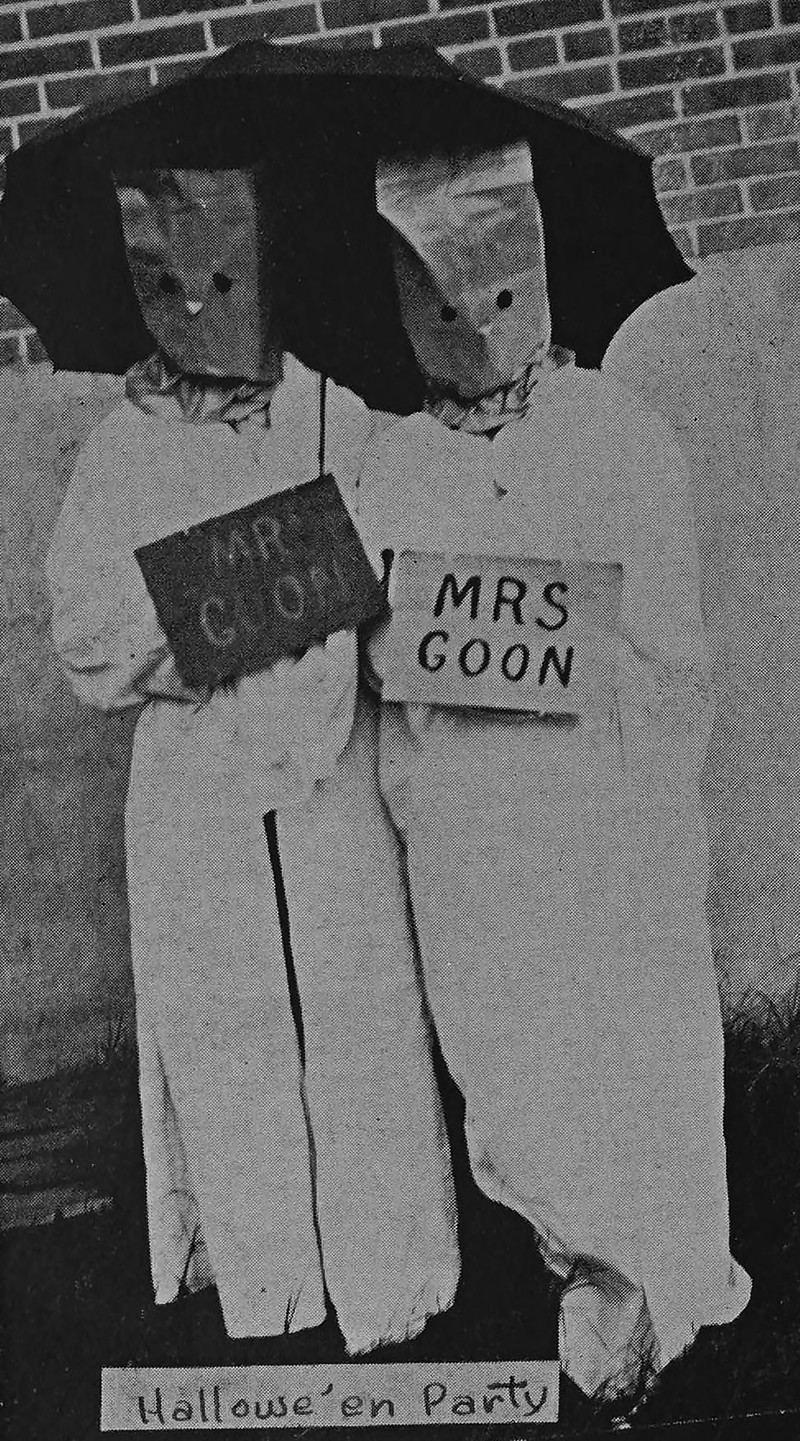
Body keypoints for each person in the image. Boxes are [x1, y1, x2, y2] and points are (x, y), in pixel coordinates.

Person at [355, 138, 752, 1408]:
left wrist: (567, 639)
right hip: (473, 818)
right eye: (441, 308)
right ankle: (576, 1260)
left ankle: (665, 1279)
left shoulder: (612, 433)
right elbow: (376, 651)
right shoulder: (387, 467)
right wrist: (422, 629)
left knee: (632, 1032)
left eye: (495, 297)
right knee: (516, 1051)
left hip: (603, 801)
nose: (473, 330)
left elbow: (668, 641)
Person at [45, 164, 458, 1353]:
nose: (201, 309)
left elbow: (404, 581)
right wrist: (242, 589)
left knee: (360, 1009)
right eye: (172, 287)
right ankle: (268, 1284)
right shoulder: (121, 451)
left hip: (332, 772)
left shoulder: (340, 419)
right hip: (200, 785)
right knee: (229, 1022)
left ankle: (393, 1281)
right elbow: (89, 635)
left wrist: (351, 575)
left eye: (226, 281)